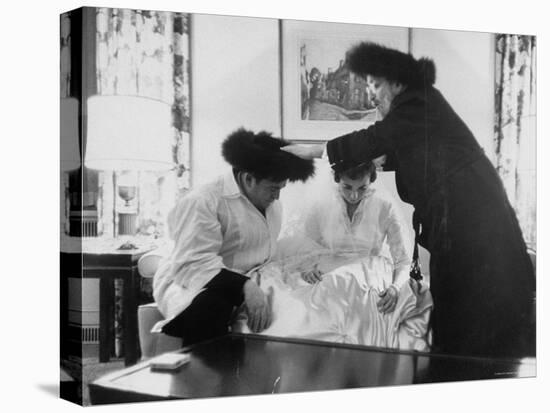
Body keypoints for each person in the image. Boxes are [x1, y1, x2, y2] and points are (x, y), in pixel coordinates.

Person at [282, 42, 535, 358]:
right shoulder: (421, 110)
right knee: (458, 312)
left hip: (474, 229)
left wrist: (313, 150)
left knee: (476, 321)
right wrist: (368, 160)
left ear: (396, 82)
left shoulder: (418, 103)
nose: (372, 93)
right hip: (464, 227)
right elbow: (402, 153)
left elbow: (375, 139)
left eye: (376, 84)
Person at [153, 128, 315, 345]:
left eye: (281, 188)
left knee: (297, 309)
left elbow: (266, 253)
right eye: (273, 188)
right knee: (214, 306)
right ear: (248, 179)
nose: (277, 196)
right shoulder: (204, 200)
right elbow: (193, 263)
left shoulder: (273, 205)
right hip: (195, 279)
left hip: (249, 278)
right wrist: (245, 287)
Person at [300, 160, 411, 316]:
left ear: (371, 181)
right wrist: (308, 267)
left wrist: (395, 288)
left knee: (361, 299)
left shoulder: (385, 206)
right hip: (328, 268)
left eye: (362, 188)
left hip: (369, 271)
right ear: (337, 179)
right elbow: (306, 245)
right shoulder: (320, 204)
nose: (354, 195)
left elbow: (403, 260)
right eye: (347, 187)